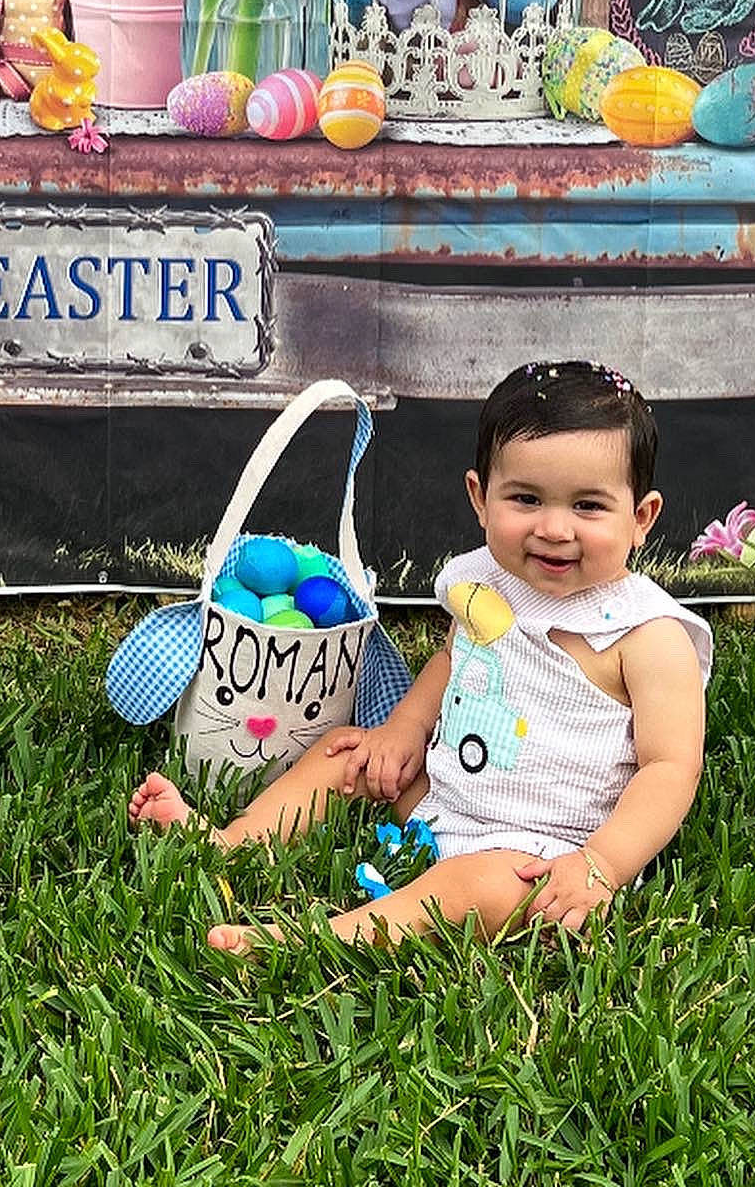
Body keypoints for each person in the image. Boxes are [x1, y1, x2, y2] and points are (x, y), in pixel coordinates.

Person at [128, 359, 711, 953]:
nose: (554, 528)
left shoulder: (647, 636)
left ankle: (321, 941)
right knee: (347, 753)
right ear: (480, 499)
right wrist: (404, 730)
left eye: (588, 506)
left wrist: (600, 865)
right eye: (526, 498)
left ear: (641, 518)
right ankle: (234, 840)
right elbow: (457, 660)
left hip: (546, 855)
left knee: (472, 888)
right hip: (445, 795)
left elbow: (670, 768)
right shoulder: (487, 582)